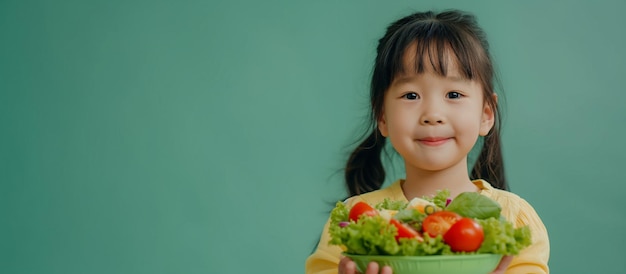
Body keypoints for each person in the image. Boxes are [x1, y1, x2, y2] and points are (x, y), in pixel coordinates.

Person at [305, 9, 550, 274]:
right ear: (383, 116)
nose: (432, 115)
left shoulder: (515, 219)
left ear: (486, 115)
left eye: (454, 94)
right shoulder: (356, 219)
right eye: (411, 95)